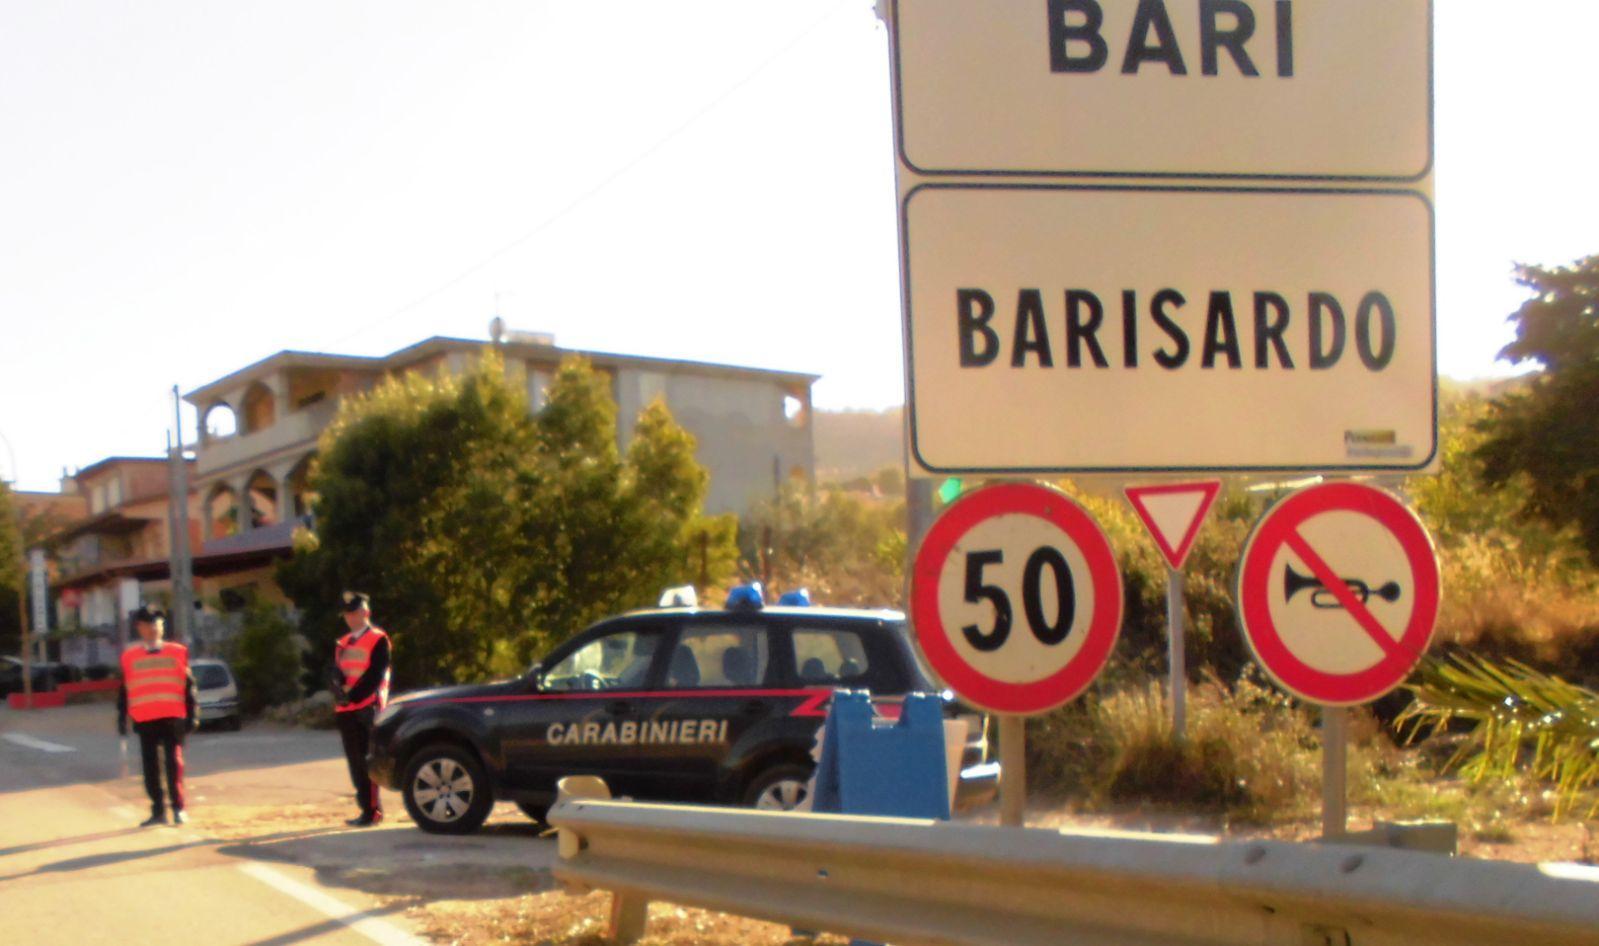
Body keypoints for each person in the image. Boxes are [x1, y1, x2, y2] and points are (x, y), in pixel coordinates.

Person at [117, 607, 198, 827]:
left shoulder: (177, 652)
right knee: (150, 769)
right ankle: (157, 811)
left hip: (172, 719)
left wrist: (193, 715)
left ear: (162, 627)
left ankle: (178, 809)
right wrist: (121, 719)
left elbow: (189, 687)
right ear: (139, 628)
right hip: (145, 720)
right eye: (149, 625)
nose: (154, 629)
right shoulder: (130, 657)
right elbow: (125, 691)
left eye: (158, 625)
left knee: (174, 765)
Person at [333, 591, 391, 827]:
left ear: (366, 612)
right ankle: (364, 807)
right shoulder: (343, 642)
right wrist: (337, 689)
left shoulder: (378, 638)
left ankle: (372, 810)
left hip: (367, 706)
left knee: (368, 761)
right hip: (345, 708)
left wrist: (353, 696)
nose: (350, 617)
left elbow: (375, 674)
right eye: (347, 613)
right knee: (354, 761)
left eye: (354, 612)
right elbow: (335, 670)